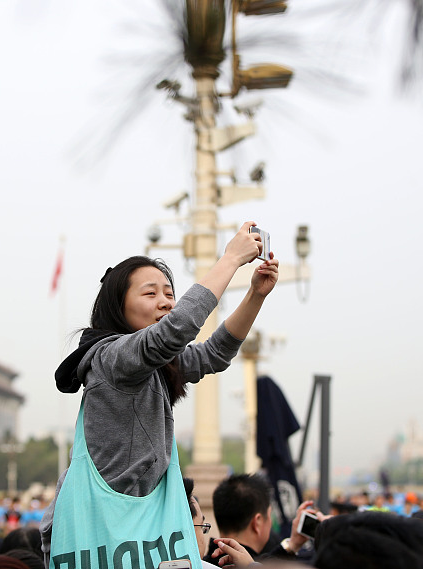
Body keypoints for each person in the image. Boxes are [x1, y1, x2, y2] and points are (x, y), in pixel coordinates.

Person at [41, 223, 280, 569]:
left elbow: (214, 353)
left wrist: (255, 294)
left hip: (138, 529)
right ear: (117, 307)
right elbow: (177, 330)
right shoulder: (111, 358)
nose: (166, 303)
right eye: (150, 294)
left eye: (169, 293)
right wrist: (229, 259)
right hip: (117, 528)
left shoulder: (153, 365)